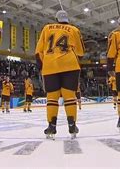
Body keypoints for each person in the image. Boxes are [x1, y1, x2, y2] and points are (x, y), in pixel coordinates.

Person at [35, 10, 85, 139]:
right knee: (70, 96)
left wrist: (41, 67)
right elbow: (81, 52)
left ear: (56, 19)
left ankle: (51, 126)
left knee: (52, 97)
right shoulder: (74, 29)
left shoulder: (47, 28)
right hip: (70, 64)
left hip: (50, 65)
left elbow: (38, 51)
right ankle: (72, 125)